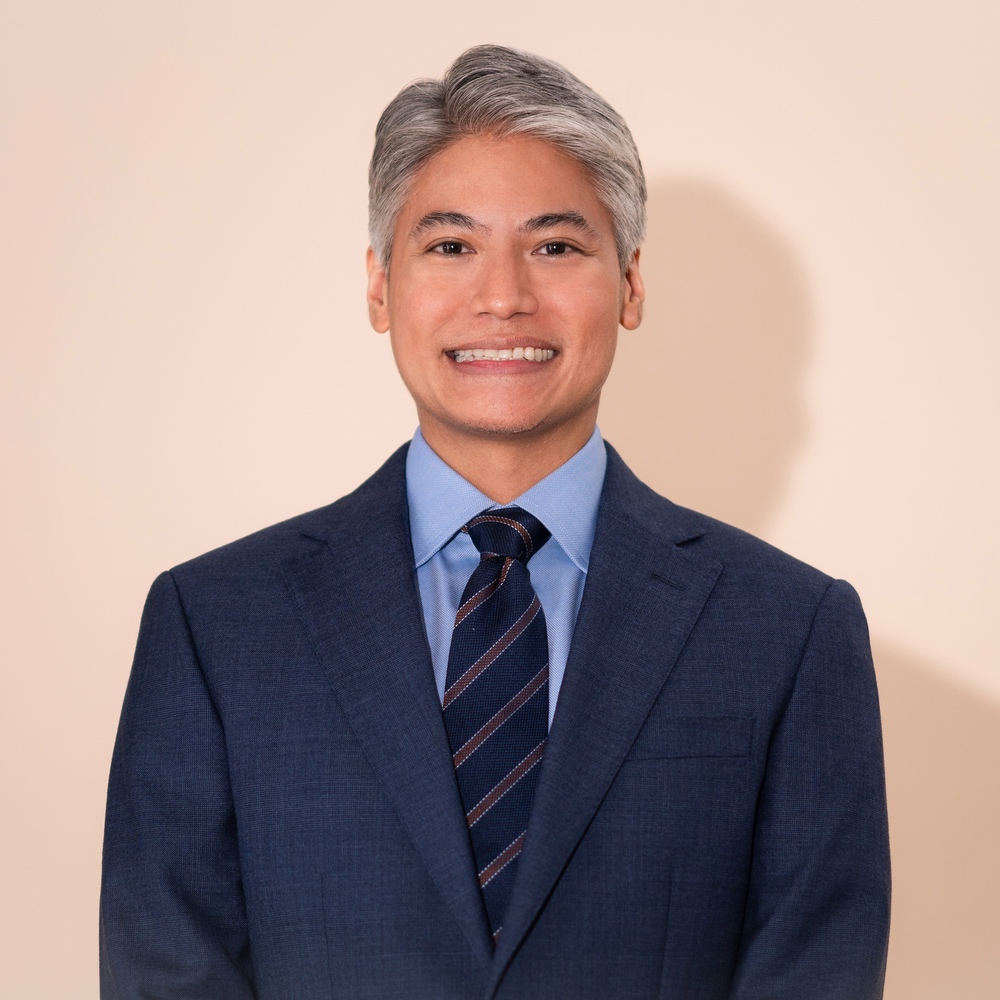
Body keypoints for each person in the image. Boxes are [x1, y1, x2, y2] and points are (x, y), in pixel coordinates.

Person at [100, 44, 890, 1000]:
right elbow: (168, 974)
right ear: (379, 286)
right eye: (450, 246)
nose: (504, 295)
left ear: (631, 283)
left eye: (556, 245)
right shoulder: (214, 624)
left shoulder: (791, 631)